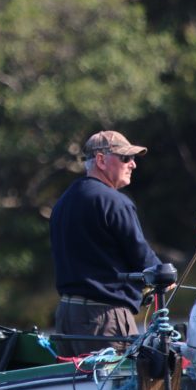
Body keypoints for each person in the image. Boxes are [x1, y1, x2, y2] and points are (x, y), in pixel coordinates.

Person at [50, 129, 162, 355]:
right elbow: (143, 260)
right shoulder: (115, 202)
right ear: (101, 160)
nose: (133, 164)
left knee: (75, 378)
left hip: (66, 317)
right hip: (104, 319)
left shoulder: (63, 202)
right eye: (125, 158)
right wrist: (163, 275)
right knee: (118, 378)